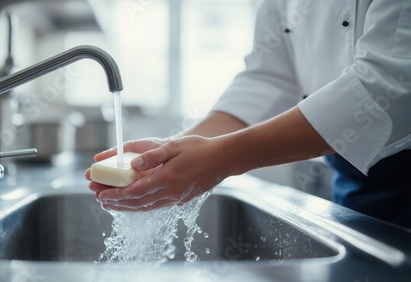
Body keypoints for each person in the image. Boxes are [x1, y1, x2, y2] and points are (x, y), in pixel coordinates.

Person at [85, 0, 411, 229]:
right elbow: (269, 78)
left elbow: (388, 88)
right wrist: (169, 150)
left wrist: (225, 157)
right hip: (354, 182)